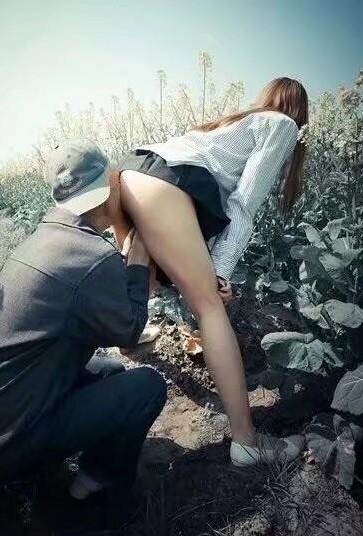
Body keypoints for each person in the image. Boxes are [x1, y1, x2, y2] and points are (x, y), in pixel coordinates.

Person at [0, 138, 167, 536]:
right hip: (1, 444)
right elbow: (129, 332)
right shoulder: (91, 257)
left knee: (110, 371)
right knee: (147, 387)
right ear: (108, 190)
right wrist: (138, 262)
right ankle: (84, 508)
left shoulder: (44, 240)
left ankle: (81, 470)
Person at [108, 77, 309, 467]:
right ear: (300, 112)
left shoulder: (234, 122)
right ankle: (247, 443)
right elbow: (243, 203)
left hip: (133, 171)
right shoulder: (283, 125)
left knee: (142, 270)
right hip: (166, 185)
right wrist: (220, 273)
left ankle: (121, 342)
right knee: (210, 307)